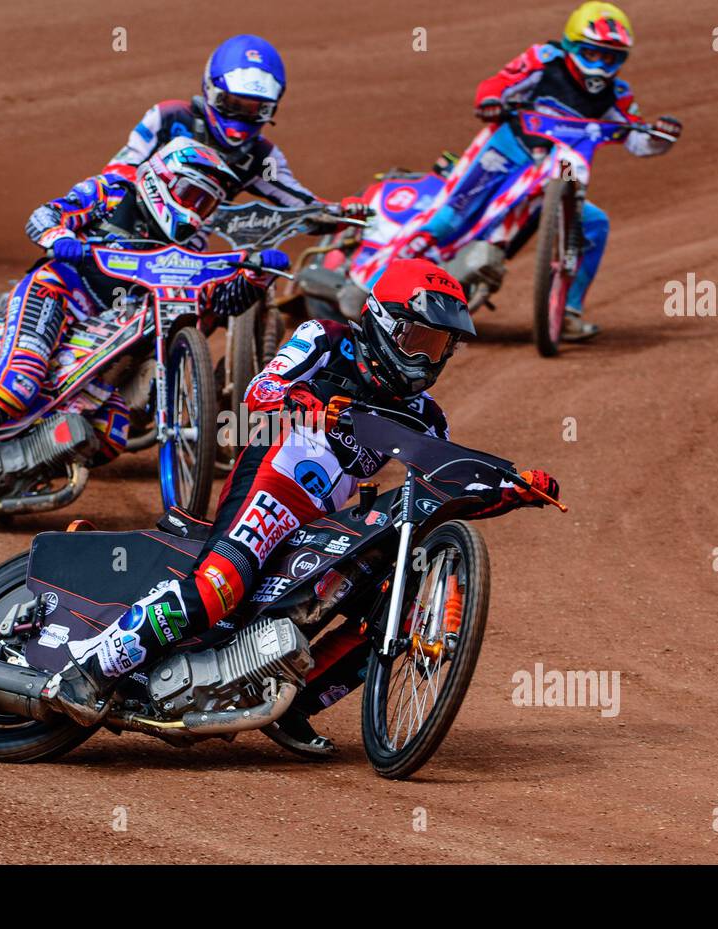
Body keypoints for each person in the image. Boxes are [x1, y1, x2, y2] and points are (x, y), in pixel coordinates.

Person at [40, 259, 560, 754]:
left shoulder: (426, 416)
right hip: (275, 476)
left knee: (381, 604)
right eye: (417, 339)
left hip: (330, 515)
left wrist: (509, 489)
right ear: (382, 321)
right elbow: (260, 392)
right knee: (220, 586)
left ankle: (294, 705)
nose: (427, 358)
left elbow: (443, 488)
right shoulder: (326, 338)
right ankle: (90, 670)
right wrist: (302, 401)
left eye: (440, 346)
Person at [0, 137, 290, 517]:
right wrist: (59, 236)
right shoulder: (114, 191)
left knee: (111, 428)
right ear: (162, 182)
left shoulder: (187, 247)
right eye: (191, 197)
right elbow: (45, 214)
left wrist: (256, 277)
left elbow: (214, 304)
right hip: (58, 295)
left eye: (205, 205)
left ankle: (5, 476)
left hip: (101, 336)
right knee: (21, 381)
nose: (195, 212)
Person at [350, 2, 681, 342]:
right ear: (571, 45)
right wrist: (491, 100)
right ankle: (368, 288)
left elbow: (640, 139)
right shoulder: (544, 60)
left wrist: (663, 137)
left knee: (594, 224)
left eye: (610, 58)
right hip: (505, 155)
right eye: (592, 54)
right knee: (446, 222)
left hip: (553, 178)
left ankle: (566, 313)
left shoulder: (617, 95)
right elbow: (498, 84)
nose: (600, 65)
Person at [103, 34, 367, 218]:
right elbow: (118, 170)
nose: (239, 119)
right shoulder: (168, 117)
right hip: (125, 227)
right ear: (211, 89)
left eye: (254, 109)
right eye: (232, 103)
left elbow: (300, 202)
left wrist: (339, 212)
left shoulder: (263, 157)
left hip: (186, 253)